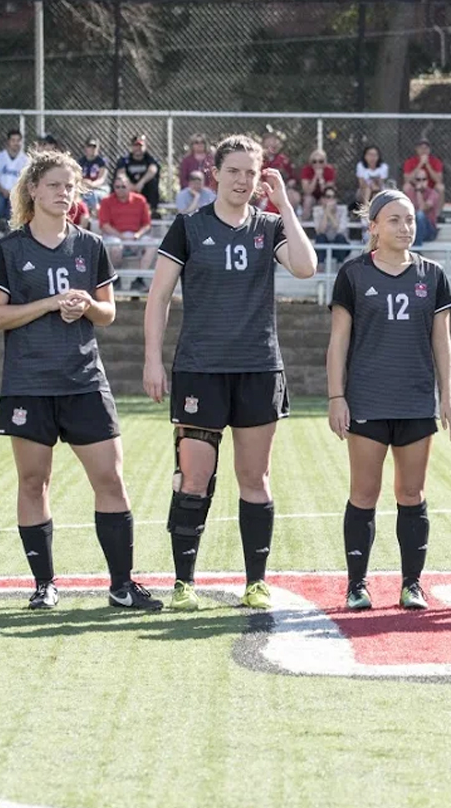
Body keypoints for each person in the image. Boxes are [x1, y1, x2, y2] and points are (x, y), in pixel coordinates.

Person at [0, 149, 160, 612]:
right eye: (55, 185)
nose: (64, 194)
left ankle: (122, 585)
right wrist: (47, 303)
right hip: (29, 383)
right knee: (33, 482)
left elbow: (108, 312)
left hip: (84, 381)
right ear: (33, 190)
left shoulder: (89, 245)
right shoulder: (9, 250)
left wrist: (85, 306)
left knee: (111, 479)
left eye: (70, 187)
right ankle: (43, 584)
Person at [143, 135, 318, 612]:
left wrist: (284, 205)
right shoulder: (188, 227)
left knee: (254, 477)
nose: (242, 180)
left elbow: (306, 267)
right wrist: (153, 360)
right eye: (234, 171)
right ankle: (183, 583)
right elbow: (158, 296)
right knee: (194, 477)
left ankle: (255, 582)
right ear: (215, 173)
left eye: (251, 172)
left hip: (259, 367)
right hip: (200, 370)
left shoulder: (269, 226)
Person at [326, 191, 451, 610]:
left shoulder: (432, 274)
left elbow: (443, 342)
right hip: (367, 400)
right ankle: (357, 585)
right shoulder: (352, 274)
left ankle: (412, 584)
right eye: (393, 220)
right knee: (364, 493)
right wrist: (337, 396)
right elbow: (338, 343)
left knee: (411, 493)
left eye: (409, 219)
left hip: (416, 401)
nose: (405, 227)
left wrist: (449, 398)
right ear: (373, 227)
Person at [98, 173, 154, 275]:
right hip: (115, 236)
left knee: (152, 246)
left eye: (123, 186)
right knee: (115, 246)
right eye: (117, 187)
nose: (120, 189)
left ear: (129, 186)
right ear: (113, 187)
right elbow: (105, 225)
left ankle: (140, 278)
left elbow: (147, 224)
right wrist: (121, 237)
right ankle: (115, 276)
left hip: (136, 236)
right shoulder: (106, 201)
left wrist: (137, 235)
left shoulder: (140, 200)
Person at [0, 129, 29, 231]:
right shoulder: (0, 157)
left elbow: (25, 181)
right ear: (8, 142)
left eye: (18, 140)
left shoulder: (25, 159)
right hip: (2, 190)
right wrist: (3, 190)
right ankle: (2, 221)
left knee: (14, 201)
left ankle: (7, 224)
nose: (16, 143)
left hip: (16, 192)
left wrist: (14, 191)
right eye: (13, 140)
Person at [401, 140, 445, 229]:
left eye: (426, 148)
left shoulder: (436, 161)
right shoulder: (410, 161)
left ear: (429, 150)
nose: (423, 150)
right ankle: (409, 213)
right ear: (416, 149)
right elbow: (407, 180)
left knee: (440, 187)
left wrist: (427, 164)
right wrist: (420, 164)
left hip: (430, 190)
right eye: (421, 148)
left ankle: (437, 215)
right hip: (415, 189)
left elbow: (438, 180)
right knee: (406, 187)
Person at [116, 135, 163, 213]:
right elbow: (121, 173)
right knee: (120, 183)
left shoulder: (149, 158)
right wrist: (130, 185)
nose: (138, 148)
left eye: (140, 146)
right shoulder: (125, 159)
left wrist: (141, 183)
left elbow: (153, 170)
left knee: (153, 181)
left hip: (144, 189)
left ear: (145, 147)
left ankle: (152, 210)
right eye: (135, 145)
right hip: (129, 188)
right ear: (131, 147)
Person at [311, 187, 352, 269]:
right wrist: (326, 213)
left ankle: (340, 267)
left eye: (333, 197)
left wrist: (330, 214)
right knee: (320, 238)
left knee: (340, 238)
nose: (331, 200)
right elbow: (320, 231)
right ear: (323, 199)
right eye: (328, 197)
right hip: (324, 244)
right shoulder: (317, 210)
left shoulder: (342, 209)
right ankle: (321, 268)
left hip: (340, 245)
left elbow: (340, 230)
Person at [78, 138, 110, 214]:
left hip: (100, 188)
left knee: (92, 194)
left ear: (97, 148)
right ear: (85, 148)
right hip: (85, 188)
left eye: (94, 147)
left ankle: (97, 215)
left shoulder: (101, 161)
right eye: (89, 146)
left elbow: (101, 179)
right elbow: (78, 177)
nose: (92, 149)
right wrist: (84, 184)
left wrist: (92, 184)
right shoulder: (81, 161)